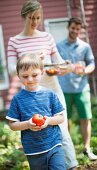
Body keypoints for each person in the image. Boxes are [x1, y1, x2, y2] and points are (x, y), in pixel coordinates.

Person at [7, 0, 78, 169]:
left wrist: (64, 66)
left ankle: (72, 165)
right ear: (23, 16)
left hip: (52, 88)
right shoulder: (14, 41)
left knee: (63, 129)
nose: (35, 22)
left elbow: (57, 61)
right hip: (31, 90)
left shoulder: (47, 37)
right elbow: (11, 69)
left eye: (38, 18)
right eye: (31, 17)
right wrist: (32, 59)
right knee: (37, 128)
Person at [6, 53, 66, 170]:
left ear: (42, 73)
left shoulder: (50, 94)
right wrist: (27, 124)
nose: (30, 79)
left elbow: (61, 118)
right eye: (25, 76)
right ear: (18, 76)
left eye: (34, 75)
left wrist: (48, 121)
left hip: (54, 144)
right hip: (33, 150)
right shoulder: (17, 99)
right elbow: (13, 125)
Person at [57, 17, 97, 160]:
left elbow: (91, 63)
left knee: (85, 118)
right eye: (73, 28)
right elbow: (56, 65)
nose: (75, 31)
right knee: (64, 120)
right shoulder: (58, 46)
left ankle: (87, 148)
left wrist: (85, 70)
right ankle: (68, 150)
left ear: (80, 30)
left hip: (81, 88)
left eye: (78, 29)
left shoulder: (85, 47)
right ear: (68, 27)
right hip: (64, 89)